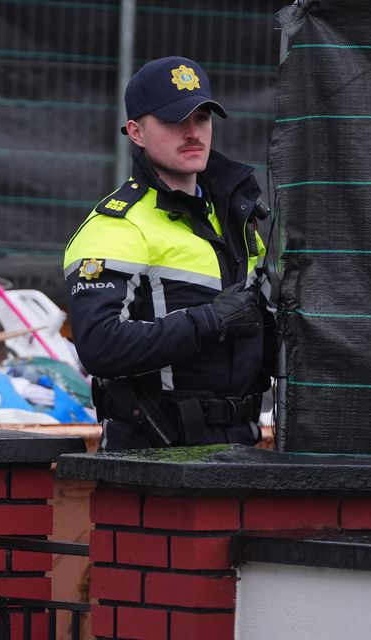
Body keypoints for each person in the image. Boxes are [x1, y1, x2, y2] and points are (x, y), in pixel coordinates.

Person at [63, 56, 275, 451]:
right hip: (153, 456)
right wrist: (207, 321)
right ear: (136, 132)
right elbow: (100, 347)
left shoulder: (235, 216)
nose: (193, 133)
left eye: (202, 119)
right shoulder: (115, 226)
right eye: (176, 121)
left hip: (241, 447)